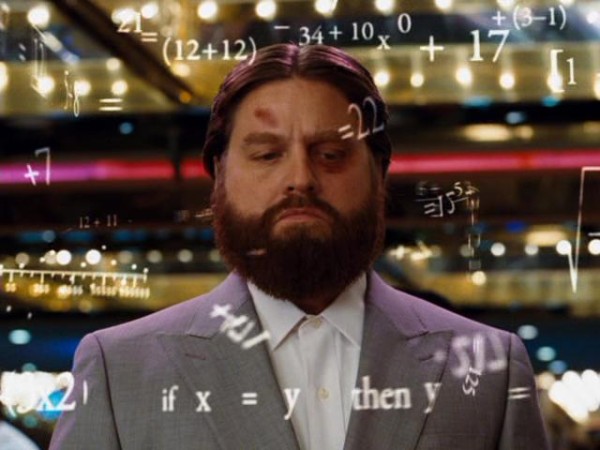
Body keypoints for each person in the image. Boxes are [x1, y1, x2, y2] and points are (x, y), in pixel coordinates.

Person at [49, 43, 550, 450]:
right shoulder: (119, 370)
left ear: (379, 174)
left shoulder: (491, 368)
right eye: (268, 154)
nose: (300, 179)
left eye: (331, 154)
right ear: (220, 175)